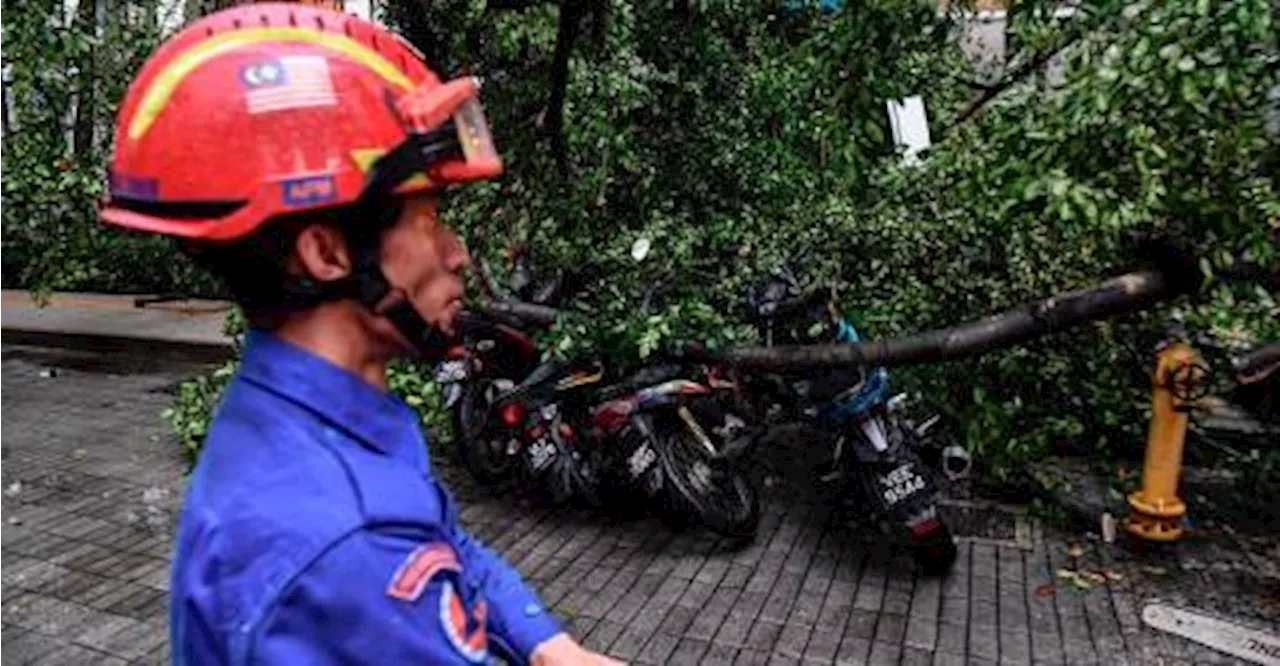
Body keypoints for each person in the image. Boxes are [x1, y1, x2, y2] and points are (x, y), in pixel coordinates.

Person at [100, 4, 622, 665]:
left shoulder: (315, 419)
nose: (458, 253)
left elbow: (443, 539)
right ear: (327, 253)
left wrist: (547, 646)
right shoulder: (351, 540)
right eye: (430, 219)